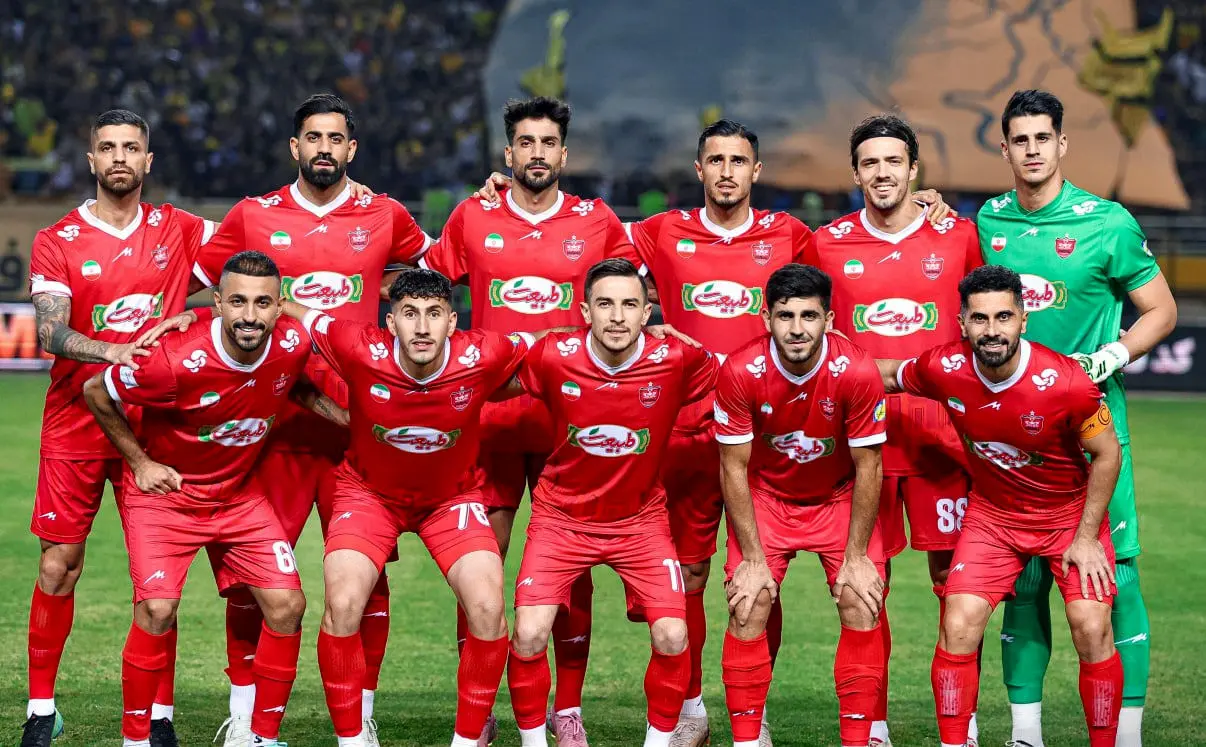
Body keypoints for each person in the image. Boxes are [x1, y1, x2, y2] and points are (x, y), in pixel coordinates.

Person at [478, 119, 955, 747]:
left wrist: (924, 204)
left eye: (739, 160)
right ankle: (692, 709)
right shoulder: (658, 231)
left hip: (772, 437)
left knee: (763, 579)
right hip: (685, 432)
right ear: (699, 169)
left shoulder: (793, 236)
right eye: (716, 160)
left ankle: (784, 717)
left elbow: (834, 284)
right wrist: (510, 191)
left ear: (757, 171)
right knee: (696, 574)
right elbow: (576, 232)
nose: (727, 171)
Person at [189, 93, 432, 747]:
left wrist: (390, 289)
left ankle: (363, 712)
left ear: (352, 148)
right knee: (254, 578)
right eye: (313, 137)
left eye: (335, 138)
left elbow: (436, 271)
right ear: (295, 147)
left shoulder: (385, 214)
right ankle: (245, 715)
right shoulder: (253, 215)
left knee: (367, 578)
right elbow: (200, 283)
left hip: (358, 428)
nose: (324, 148)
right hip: (277, 428)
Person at [420, 96, 638, 745]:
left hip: (569, 424)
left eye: (547, 143)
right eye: (526, 142)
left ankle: (565, 710)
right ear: (508, 152)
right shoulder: (473, 215)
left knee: (571, 570)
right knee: (479, 567)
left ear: (563, 155)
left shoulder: (596, 221)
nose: (537, 153)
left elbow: (635, 296)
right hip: (487, 420)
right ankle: (479, 705)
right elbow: (421, 293)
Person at [976, 89, 1177, 747]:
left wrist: (1112, 354)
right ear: (1004, 148)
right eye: (1020, 139)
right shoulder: (988, 221)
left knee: (1117, 577)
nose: (1032, 149)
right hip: (1013, 437)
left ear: (1062, 143)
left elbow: (1161, 310)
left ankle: (1127, 734)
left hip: (1094, 434)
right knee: (1025, 580)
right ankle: (1026, 734)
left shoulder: (1107, 222)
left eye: (1043, 137)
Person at [82, 251, 345, 747]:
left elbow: (295, 386)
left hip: (239, 497)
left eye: (263, 303)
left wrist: (347, 419)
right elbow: (97, 390)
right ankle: (135, 739)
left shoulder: (292, 344)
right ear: (219, 303)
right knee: (157, 611)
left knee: (288, 606)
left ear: (280, 307)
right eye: (238, 302)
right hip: (167, 498)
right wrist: (140, 463)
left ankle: (261, 737)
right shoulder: (171, 361)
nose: (250, 315)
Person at [24, 108, 217, 747]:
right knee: (60, 565)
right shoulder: (56, 239)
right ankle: (41, 709)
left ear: (148, 160)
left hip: (154, 427)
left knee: (158, 582)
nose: (119, 158)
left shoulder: (181, 229)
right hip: (75, 421)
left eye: (131, 148)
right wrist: (111, 351)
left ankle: (158, 716)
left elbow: (263, 242)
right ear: (91, 160)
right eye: (107, 147)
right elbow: (50, 330)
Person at [876, 264, 1125, 747]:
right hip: (993, 518)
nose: (992, 330)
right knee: (958, 623)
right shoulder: (943, 367)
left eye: (1003, 317)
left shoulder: (1067, 382)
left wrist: (1087, 537)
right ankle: (954, 742)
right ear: (962, 323)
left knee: (1091, 627)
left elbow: (1107, 454)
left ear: (1023, 319)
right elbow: (887, 374)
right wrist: (822, 363)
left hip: (1068, 517)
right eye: (980, 318)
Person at [282, 268, 527, 747]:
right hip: (369, 495)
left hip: (451, 499)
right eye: (409, 314)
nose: (422, 326)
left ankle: (465, 742)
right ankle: (352, 741)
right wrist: (198, 314)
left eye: (434, 314)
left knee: (488, 609)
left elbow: (552, 343)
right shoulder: (356, 345)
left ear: (452, 322)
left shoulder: (483, 353)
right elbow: (291, 307)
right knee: (343, 605)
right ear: (390, 322)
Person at [804, 114, 983, 747]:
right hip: (863, 444)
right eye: (870, 163)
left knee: (956, 588)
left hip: (942, 440)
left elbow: (987, 321)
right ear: (855, 174)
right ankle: (873, 724)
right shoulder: (825, 244)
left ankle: (961, 722)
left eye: (893, 162)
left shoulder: (959, 236)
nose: (882, 173)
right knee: (864, 585)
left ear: (914, 169)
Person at [505, 259, 718, 747]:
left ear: (647, 312)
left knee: (673, 635)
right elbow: (487, 380)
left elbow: (743, 375)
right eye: (605, 304)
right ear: (585, 312)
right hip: (561, 518)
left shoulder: (677, 358)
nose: (617, 317)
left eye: (629, 305)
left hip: (640, 521)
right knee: (530, 634)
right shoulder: (553, 355)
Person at [715, 263, 888, 747]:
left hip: (838, 496)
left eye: (809, 316)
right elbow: (732, 467)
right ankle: (747, 740)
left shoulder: (857, 370)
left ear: (828, 320)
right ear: (766, 317)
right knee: (748, 603)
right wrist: (753, 559)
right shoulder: (740, 370)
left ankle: (858, 740)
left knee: (861, 599)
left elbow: (870, 466)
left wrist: (856, 555)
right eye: (785, 315)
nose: (797, 328)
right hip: (766, 497)